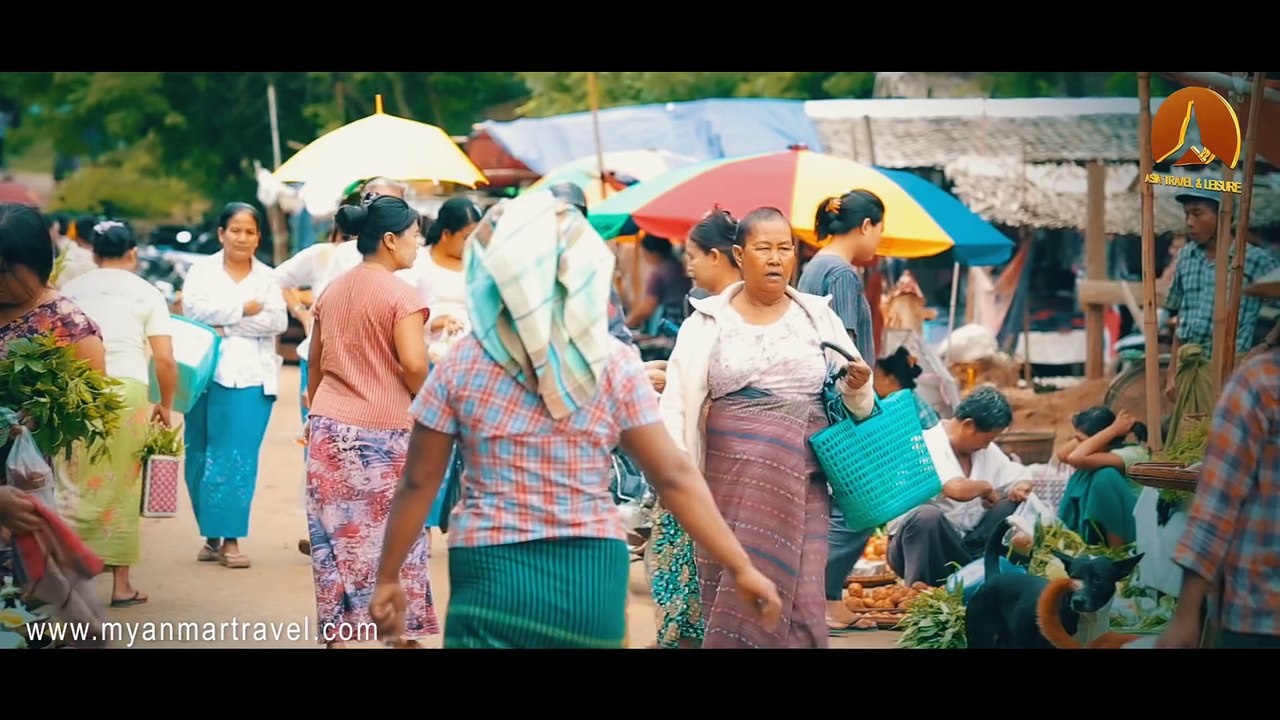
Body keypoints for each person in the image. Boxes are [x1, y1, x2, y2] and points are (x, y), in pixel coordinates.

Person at [369, 192, 782, 649]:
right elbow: (673, 477)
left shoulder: (461, 364)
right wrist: (741, 566)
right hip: (590, 580)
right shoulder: (614, 365)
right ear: (583, 273)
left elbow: (418, 482)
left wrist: (388, 576)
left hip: (490, 575)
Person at [659, 206, 876, 649]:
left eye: (785, 248)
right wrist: (677, 483)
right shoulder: (706, 321)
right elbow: (677, 404)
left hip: (805, 481)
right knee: (737, 586)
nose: (776, 258)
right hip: (729, 485)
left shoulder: (819, 317)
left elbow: (858, 402)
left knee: (804, 595)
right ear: (739, 254)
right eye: (764, 248)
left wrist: (858, 385)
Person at [305, 195, 436, 648]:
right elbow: (416, 366)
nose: (419, 244)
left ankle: (337, 637)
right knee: (398, 538)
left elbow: (315, 363)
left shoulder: (333, 290)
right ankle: (396, 634)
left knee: (332, 539)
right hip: (384, 434)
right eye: (415, 235)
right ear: (389, 239)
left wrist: (316, 411)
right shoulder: (403, 295)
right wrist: (432, 404)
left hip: (327, 428)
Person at [1158, 267, 1280, 649]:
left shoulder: (1259, 381)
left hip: (1258, 611)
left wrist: (1185, 614)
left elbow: (1217, 505)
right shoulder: (1259, 383)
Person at [59, 220, 178, 606]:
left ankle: (72, 577)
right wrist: (166, 404)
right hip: (128, 390)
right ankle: (121, 585)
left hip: (79, 388)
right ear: (133, 253)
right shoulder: (146, 292)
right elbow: (164, 359)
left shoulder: (70, 290)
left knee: (73, 478)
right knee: (124, 483)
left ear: (94, 253)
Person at [646, 207, 742, 649]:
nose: (687, 265)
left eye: (694, 255)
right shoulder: (720, 314)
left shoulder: (715, 318)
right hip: (708, 462)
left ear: (720, 257)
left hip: (699, 465)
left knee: (682, 564)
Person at [180, 202, 287, 569]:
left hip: (252, 380)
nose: (243, 238)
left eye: (250, 231)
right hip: (203, 375)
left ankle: (230, 539)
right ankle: (210, 535)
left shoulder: (269, 277)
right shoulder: (201, 270)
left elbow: (275, 322)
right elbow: (192, 311)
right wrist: (245, 309)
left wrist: (224, 320)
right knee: (198, 458)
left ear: (259, 237)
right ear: (221, 233)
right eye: (236, 230)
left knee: (237, 460)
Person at [797, 190, 886, 630]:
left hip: (821, 403)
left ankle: (820, 597)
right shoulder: (842, 275)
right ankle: (823, 597)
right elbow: (846, 352)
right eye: (880, 229)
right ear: (867, 225)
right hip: (843, 407)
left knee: (833, 507)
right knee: (865, 502)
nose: (879, 241)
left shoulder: (816, 265)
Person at [885, 385, 1035, 587]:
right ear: (969, 425)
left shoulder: (984, 451)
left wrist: (1021, 486)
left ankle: (983, 572)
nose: (987, 445)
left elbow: (1017, 474)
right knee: (927, 516)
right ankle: (919, 586)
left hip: (965, 546)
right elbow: (955, 489)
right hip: (918, 547)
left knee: (1010, 504)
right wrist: (986, 488)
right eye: (987, 439)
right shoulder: (925, 443)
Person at [1, 203, 107, 470]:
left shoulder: (66, 324)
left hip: (17, 477)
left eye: (3, 272)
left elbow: (88, 404)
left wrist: (39, 420)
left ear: (35, 262)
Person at [1163, 188, 1279, 407]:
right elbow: (1180, 316)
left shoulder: (1252, 259)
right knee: (1188, 436)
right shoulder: (1186, 256)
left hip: (1231, 366)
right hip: (1188, 368)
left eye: (1197, 213)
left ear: (1225, 216)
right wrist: (1172, 371)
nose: (1189, 222)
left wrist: (1264, 345)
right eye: (1187, 214)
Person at [1053, 407, 1148, 548]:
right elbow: (1063, 455)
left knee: (1105, 476)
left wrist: (1112, 431)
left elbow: (1075, 457)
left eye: (1081, 441)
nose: (1077, 446)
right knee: (1084, 472)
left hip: (1134, 529)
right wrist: (1086, 437)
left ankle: (1117, 552)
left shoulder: (1132, 454)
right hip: (1120, 522)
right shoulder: (1105, 451)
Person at [418, 197, 480, 363]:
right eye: (466, 237)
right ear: (446, 234)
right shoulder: (419, 261)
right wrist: (438, 322)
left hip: (468, 352)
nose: (471, 244)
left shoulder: (476, 264)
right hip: (428, 351)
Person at [626, 233, 690, 332]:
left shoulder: (659, 273)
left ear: (653, 252)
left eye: (644, 253)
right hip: (686, 321)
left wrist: (625, 324)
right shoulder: (679, 265)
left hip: (671, 326)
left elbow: (647, 308)